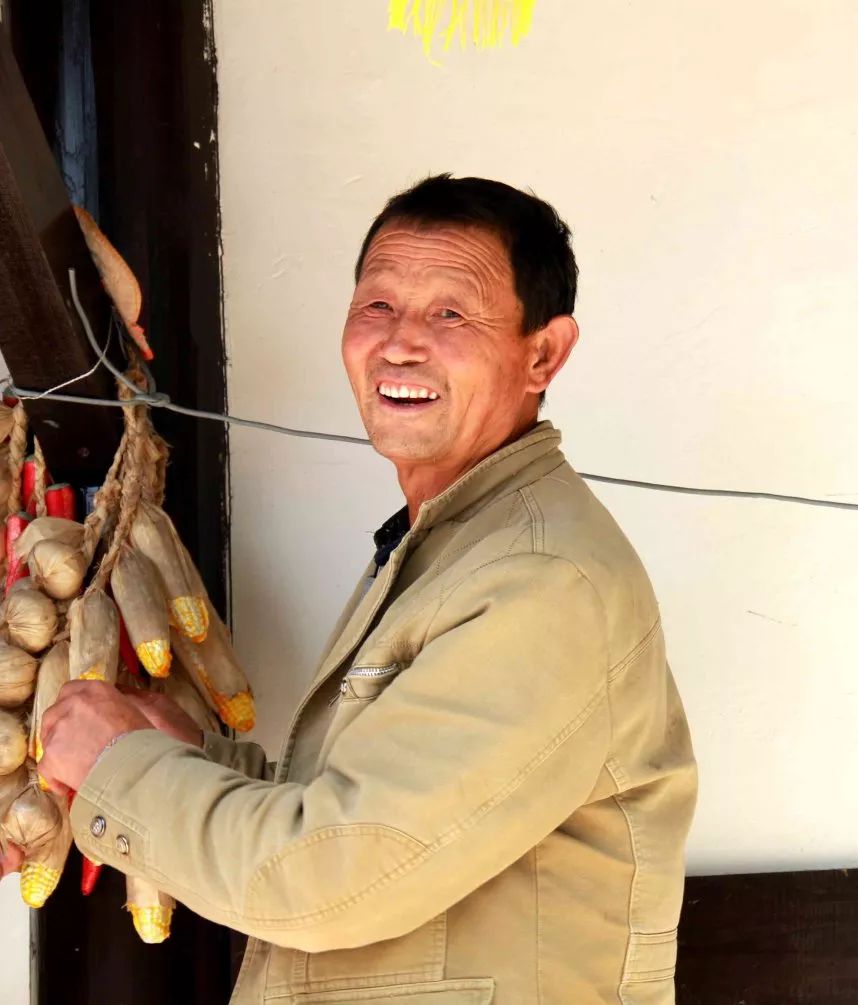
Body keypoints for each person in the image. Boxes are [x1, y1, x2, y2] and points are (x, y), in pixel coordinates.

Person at [10, 175, 697, 1004]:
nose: (401, 343)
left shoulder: (540, 580)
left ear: (542, 353)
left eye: (451, 314)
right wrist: (181, 750)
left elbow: (332, 874)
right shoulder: (447, 544)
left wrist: (121, 770)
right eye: (378, 306)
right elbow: (352, 814)